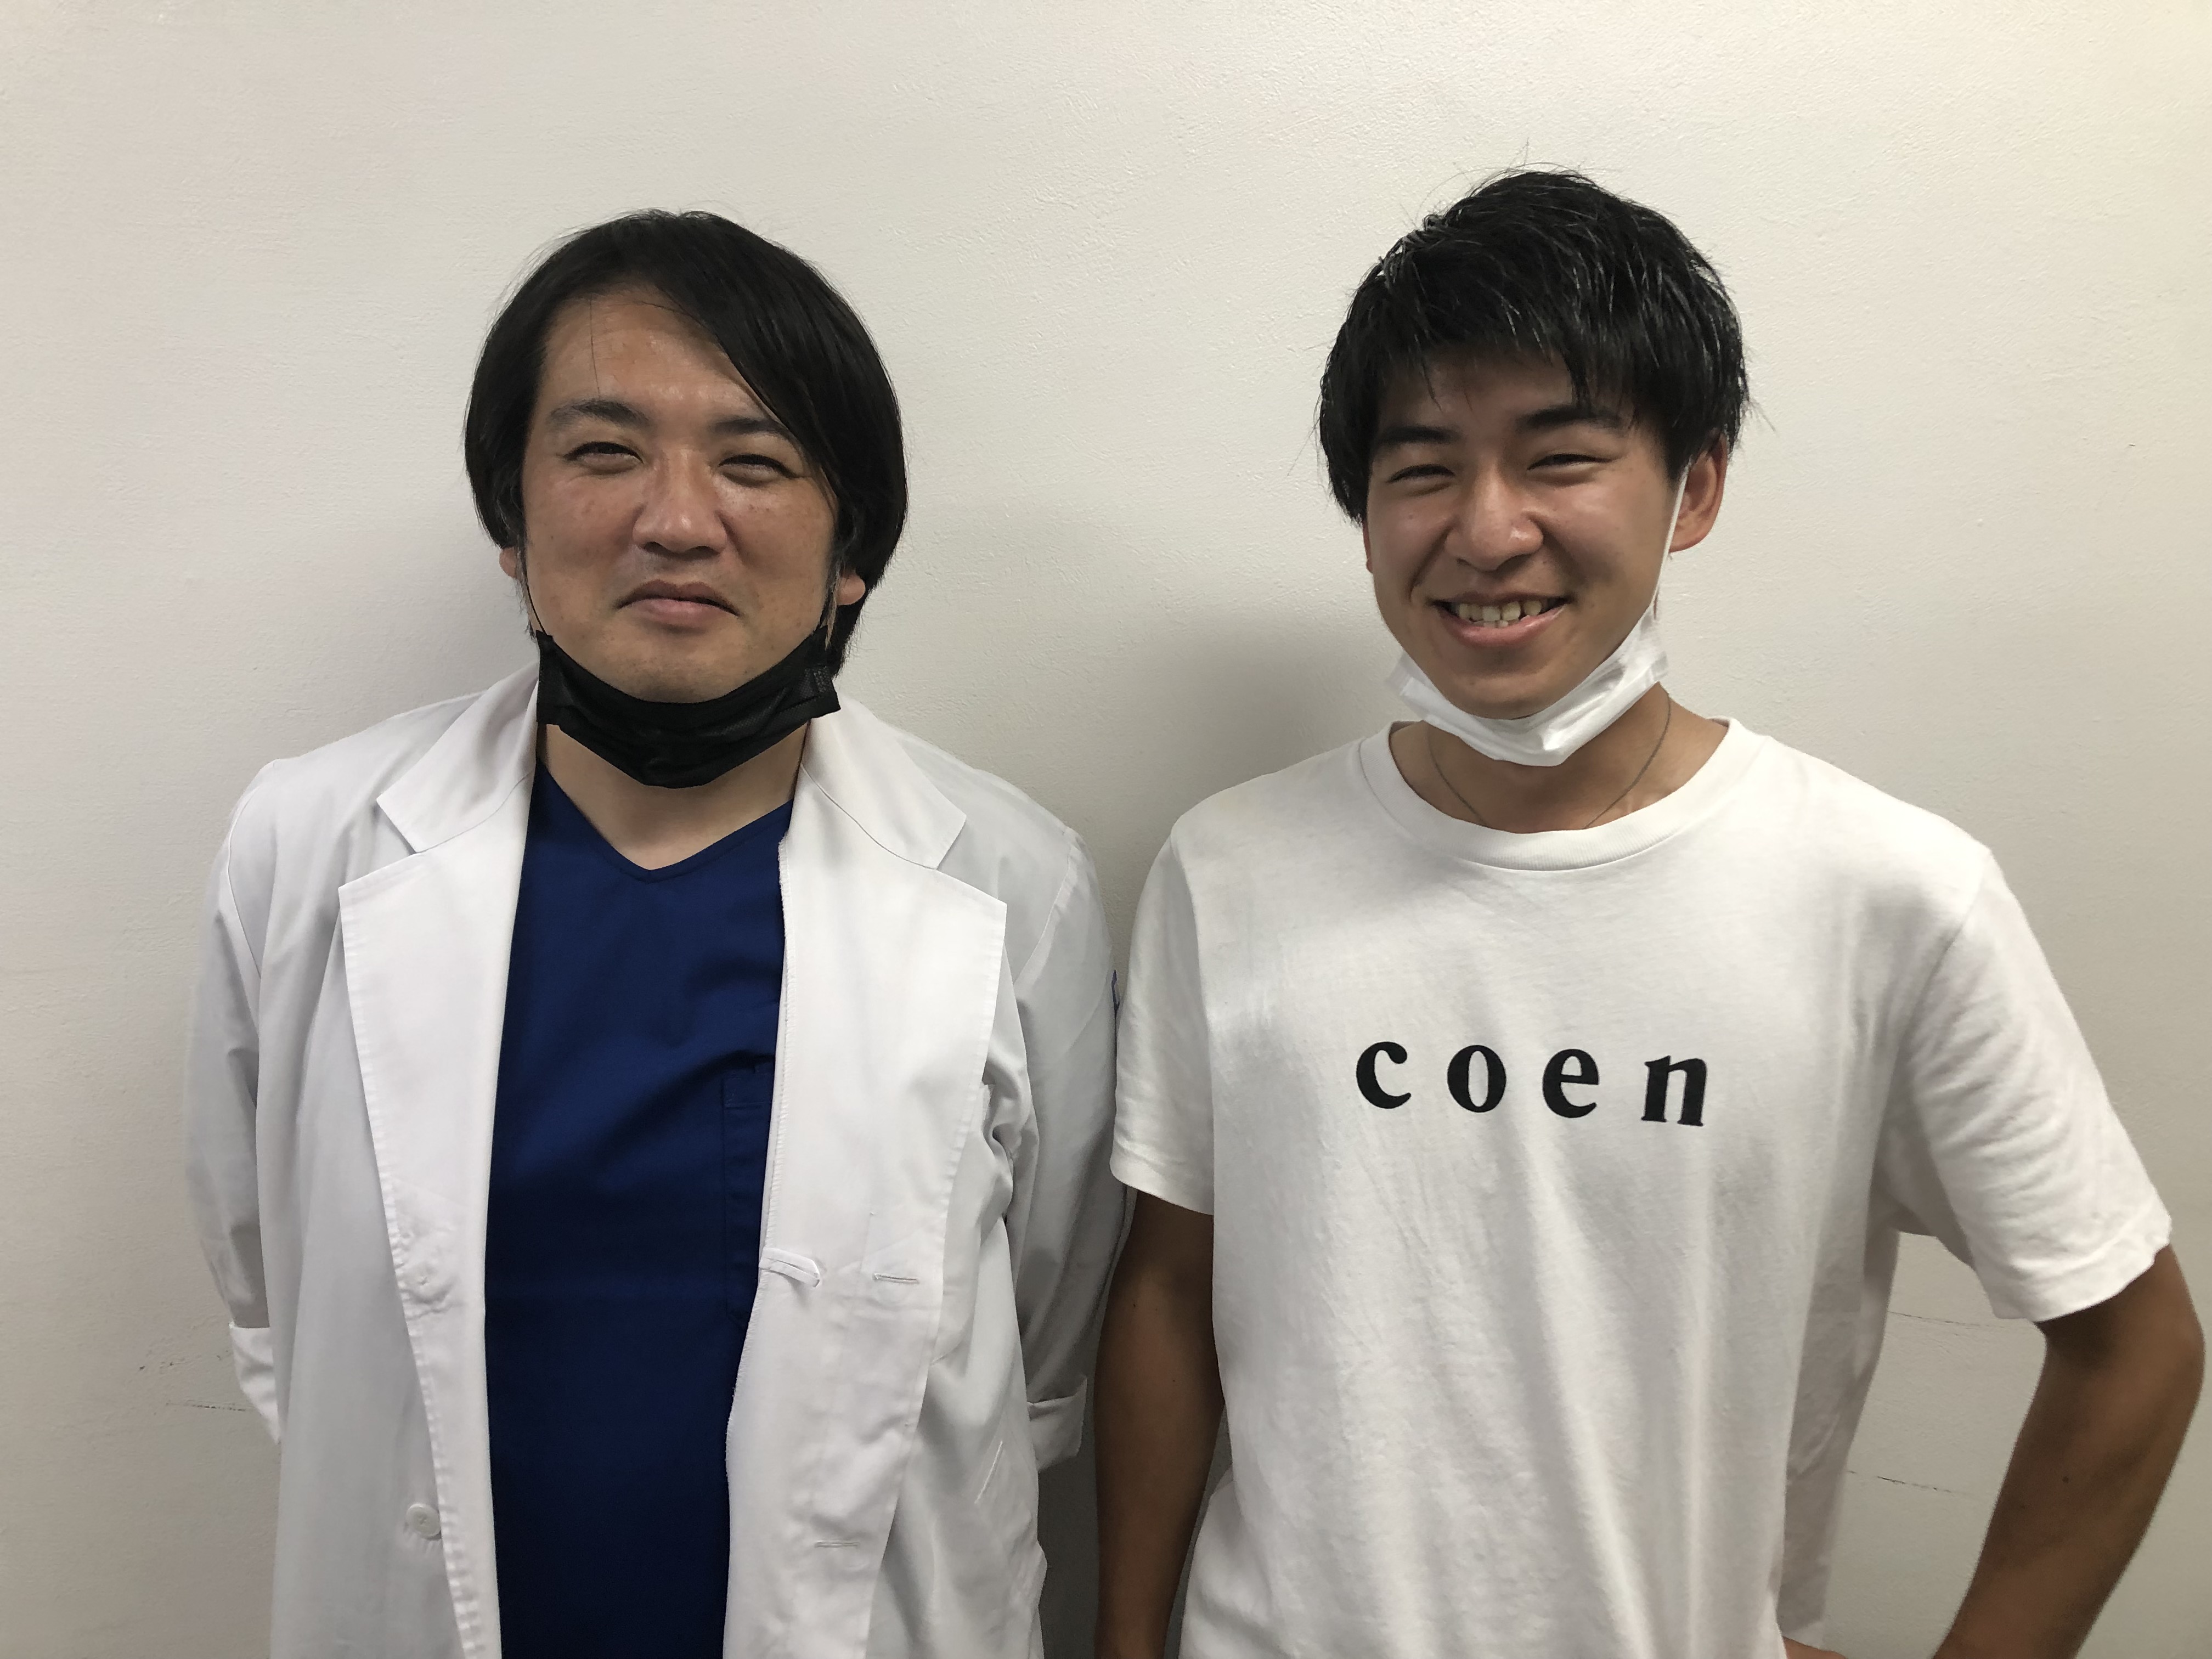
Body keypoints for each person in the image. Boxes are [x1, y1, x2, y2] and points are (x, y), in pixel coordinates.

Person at [1095, 169, 2202, 1659]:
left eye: (1561, 458)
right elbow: (1170, 1295)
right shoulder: (1230, 868)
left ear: (1697, 487)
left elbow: (2136, 1346)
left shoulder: (1888, 896)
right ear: (1364, 511)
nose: (1488, 530)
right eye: (1423, 467)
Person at [184, 210, 1122, 1659]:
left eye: (754, 461)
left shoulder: (1010, 882)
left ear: (854, 545)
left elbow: (1043, 1339)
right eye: (605, 451)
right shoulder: (309, 845)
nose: (677, 520)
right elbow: (278, 1297)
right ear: (512, 517)